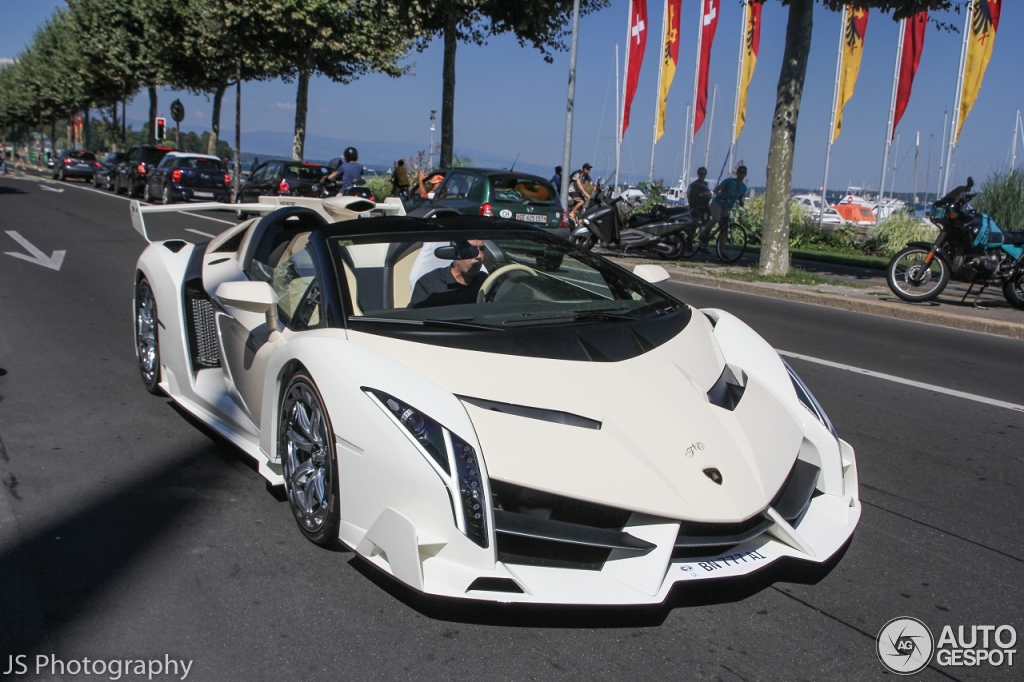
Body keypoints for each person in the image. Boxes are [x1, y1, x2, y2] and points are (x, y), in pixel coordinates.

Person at [409, 240, 487, 308]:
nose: (479, 256)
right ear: (456, 252)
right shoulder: (429, 285)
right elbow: (415, 319)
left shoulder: (487, 282)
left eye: (482, 249)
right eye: (472, 250)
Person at [699, 165, 748, 251]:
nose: (741, 174)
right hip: (717, 203)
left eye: (743, 172)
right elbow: (716, 190)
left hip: (726, 207)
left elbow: (740, 197)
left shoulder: (744, 187)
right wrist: (721, 196)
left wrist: (741, 203)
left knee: (724, 230)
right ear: (736, 173)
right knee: (717, 218)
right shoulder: (729, 181)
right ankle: (704, 233)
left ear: (745, 175)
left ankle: (721, 252)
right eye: (739, 172)